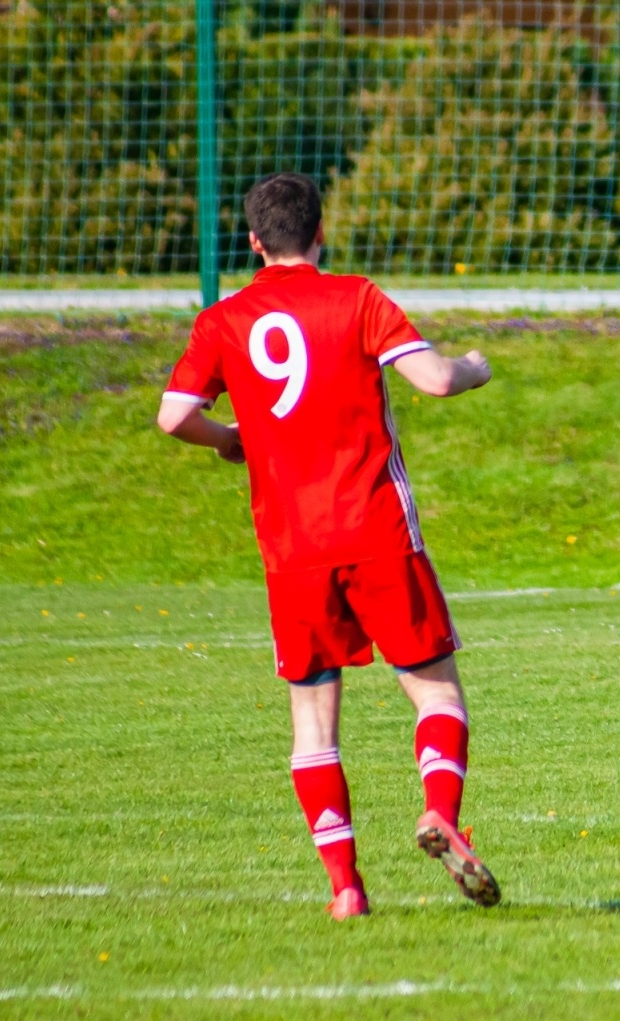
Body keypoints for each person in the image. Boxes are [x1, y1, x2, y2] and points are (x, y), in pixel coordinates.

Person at [156, 172, 499, 919]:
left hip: (293, 551)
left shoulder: (224, 320)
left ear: (253, 242)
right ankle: (439, 810)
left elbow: (173, 414)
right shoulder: (357, 297)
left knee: (313, 721)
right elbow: (436, 381)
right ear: (320, 232)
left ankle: (345, 889)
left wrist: (229, 443)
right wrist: (476, 366)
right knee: (435, 688)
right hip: (377, 531)